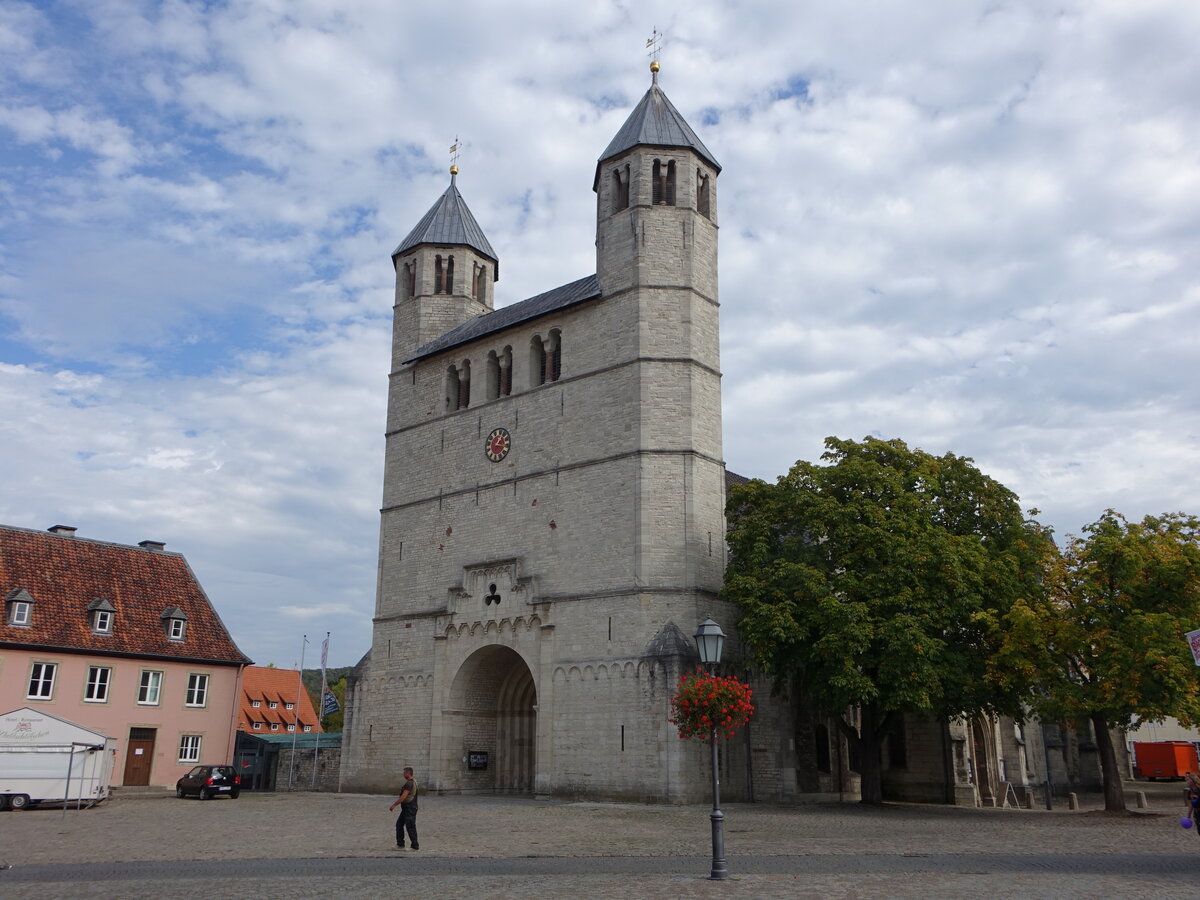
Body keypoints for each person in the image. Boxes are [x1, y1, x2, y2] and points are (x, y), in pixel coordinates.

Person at [389, 766, 419, 850]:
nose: (403, 774)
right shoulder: (413, 781)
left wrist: (394, 805)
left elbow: (403, 796)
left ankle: (415, 846)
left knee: (410, 826)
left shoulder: (409, 783)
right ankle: (400, 844)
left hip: (409, 808)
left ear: (408, 773)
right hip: (408, 808)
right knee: (399, 824)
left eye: (404, 773)